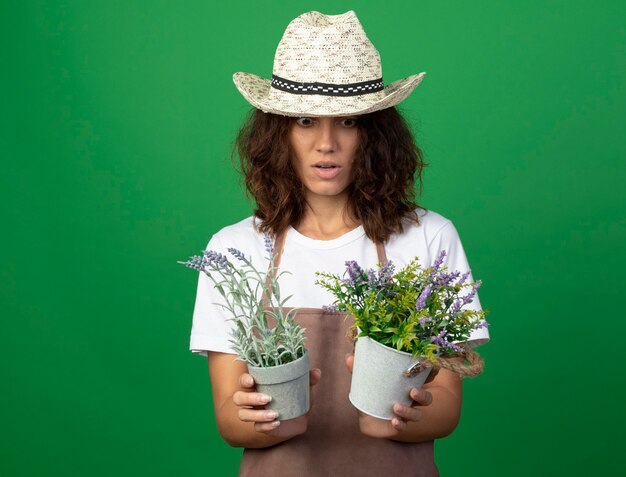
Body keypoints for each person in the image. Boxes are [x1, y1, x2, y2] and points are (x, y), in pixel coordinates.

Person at [189, 10, 489, 476]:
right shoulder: (233, 251)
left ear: (375, 135)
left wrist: (403, 416)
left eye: (348, 122)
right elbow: (230, 421)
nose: (326, 143)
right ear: (277, 132)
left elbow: (447, 404)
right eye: (305, 120)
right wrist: (262, 418)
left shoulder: (430, 237)